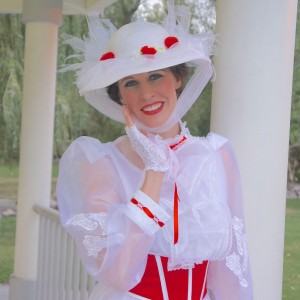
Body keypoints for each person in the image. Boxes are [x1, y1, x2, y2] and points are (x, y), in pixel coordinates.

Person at [57, 1, 253, 299]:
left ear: (177, 78)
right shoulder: (100, 163)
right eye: (131, 82)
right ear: (119, 95)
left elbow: (231, 270)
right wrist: (154, 171)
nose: (146, 93)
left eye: (155, 76)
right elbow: (118, 273)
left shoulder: (216, 154)